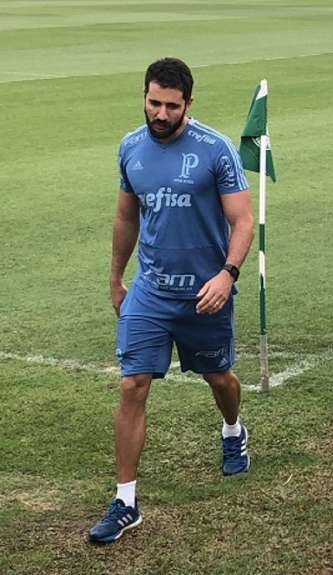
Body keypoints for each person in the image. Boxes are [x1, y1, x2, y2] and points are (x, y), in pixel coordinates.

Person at [89, 57, 254, 543]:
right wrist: (118, 279)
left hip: (205, 294)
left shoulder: (216, 150)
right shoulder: (130, 148)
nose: (160, 114)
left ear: (189, 104)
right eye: (153, 102)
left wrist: (227, 275)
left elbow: (242, 221)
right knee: (132, 384)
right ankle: (125, 501)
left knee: (219, 378)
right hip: (151, 291)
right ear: (144, 96)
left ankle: (232, 430)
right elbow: (126, 218)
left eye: (171, 106)